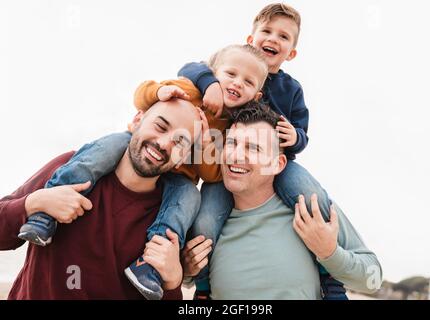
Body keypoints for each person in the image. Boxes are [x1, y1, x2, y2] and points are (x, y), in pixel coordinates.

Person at [17, 44, 269, 299]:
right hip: (119, 149)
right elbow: (142, 94)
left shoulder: (230, 127)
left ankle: (149, 266)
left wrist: (172, 278)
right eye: (230, 74)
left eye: (248, 82)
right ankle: (44, 217)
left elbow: (214, 174)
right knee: (107, 147)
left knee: (190, 197)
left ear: (257, 95)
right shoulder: (187, 89)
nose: (237, 84)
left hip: (178, 178)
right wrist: (33, 203)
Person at [179, 3, 348, 299]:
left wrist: (294, 136)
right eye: (267, 31)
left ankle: (329, 276)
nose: (273, 39)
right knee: (205, 220)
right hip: (224, 166)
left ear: (291, 53)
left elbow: (302, 133)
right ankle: (203, 287)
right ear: (250, 38)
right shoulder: (236, 66)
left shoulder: (291, 89)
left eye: (283, 36)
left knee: (312, 196)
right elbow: (190, 68)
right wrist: (210, 84)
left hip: (274, 165)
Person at [0, 98, 202, 299]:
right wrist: (33, 204)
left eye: (180, 142)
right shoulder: (70, 168)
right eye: (160, 126)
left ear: (183, 159)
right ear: (137, 120)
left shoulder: (174, 219)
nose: (164, 143)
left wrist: (172, 281)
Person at [182, 104, 383, 299]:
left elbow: (373, 280)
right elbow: (182, 279)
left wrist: (329, 252)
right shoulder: (206, 224)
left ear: (278, 164)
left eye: (253, 148)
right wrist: (186, 268)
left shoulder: (308, 211)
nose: (236, 155)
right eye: (232, 143)